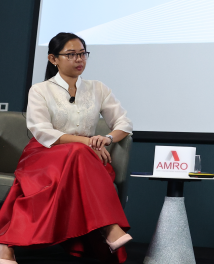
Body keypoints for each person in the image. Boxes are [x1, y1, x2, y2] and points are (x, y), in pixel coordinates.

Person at [0, 33, 134, 264]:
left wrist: (106, 139)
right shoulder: (40, 90)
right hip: (44, 154)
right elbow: (42, 131)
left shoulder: (98, 88)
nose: (79, 59)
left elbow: (124, 123)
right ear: (53, 59)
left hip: (85, 158)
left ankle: (5, 245)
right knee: (78, 152)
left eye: (82, 53)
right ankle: (109, 227)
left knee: (79, 155)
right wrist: (86, 142)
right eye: (71, 54)